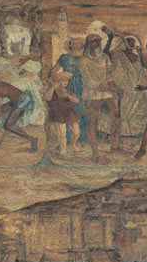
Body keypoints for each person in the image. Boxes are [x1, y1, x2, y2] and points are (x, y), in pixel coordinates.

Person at [78, 28, 123, 163]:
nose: (97, 44)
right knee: (93, 122)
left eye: (98, 41)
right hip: (91, 93)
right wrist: (112, 88)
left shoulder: (104, 57)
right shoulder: (83, 60)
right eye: (94, 41)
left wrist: (116, 87)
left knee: (117, 116)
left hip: (105, 91)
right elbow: (90, 82)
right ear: (88, 44)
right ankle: (95, 154)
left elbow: (108, 75)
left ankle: (115, 144)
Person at [54, 37, 87, 143]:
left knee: (82, 108)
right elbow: (54, 71)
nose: (76, 45)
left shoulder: (85, 57)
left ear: (82, 45)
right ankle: (67, 137)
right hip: (68, 85)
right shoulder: (64, 57)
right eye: (73, 43)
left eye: (79, 43)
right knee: (68, 109)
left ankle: (81, 137)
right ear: (69, 44)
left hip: (83, 85)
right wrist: (58, 85)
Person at [44, 65, 80, 155]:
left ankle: (73, 144)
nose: (65, 82)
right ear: (58, 81)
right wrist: (53, 87)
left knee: (76, 132)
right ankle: (63, 149)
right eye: (63, 80)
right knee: (62, 133)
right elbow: (47, 98)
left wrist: (69, 96)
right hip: (59, 112)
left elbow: (77, 101)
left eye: (66, 80)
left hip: (70, 112)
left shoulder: (67, 91)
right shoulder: (54, 90)